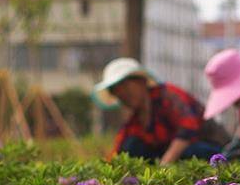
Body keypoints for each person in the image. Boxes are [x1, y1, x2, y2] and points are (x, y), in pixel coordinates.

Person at [94, 57, 230, 164]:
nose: (123, 95)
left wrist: (164, 167)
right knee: (132, 145)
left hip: (212, 150)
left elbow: (187, 130)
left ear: (141, 82)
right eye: (117, 93)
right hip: (174, 157)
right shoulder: (135, 120)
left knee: (190, 152)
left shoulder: (168, 96)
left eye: (125, 88)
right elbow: (119, 150)